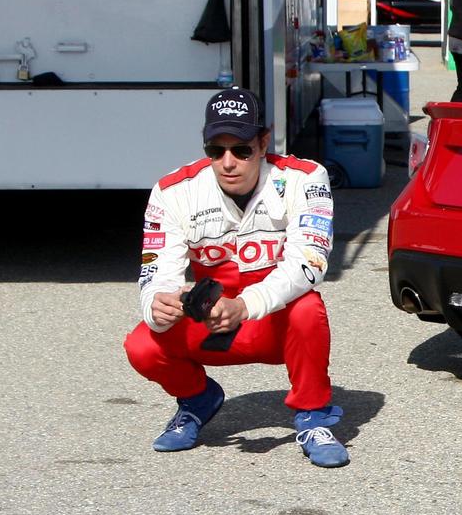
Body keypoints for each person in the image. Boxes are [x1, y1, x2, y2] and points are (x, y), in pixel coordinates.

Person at [123, 87, 349, 468]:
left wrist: (244, 305)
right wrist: (157, 304)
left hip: (273, 323)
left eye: (241, 150)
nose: (228, 162)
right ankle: (197, 399)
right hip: (213, 325)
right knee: (141, 345)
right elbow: (156, 270)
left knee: (307, 308)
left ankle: (313, 416)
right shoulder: (171, 191)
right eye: (216, 150)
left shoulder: (306, 178)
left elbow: (309, 265)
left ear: (263, 143)